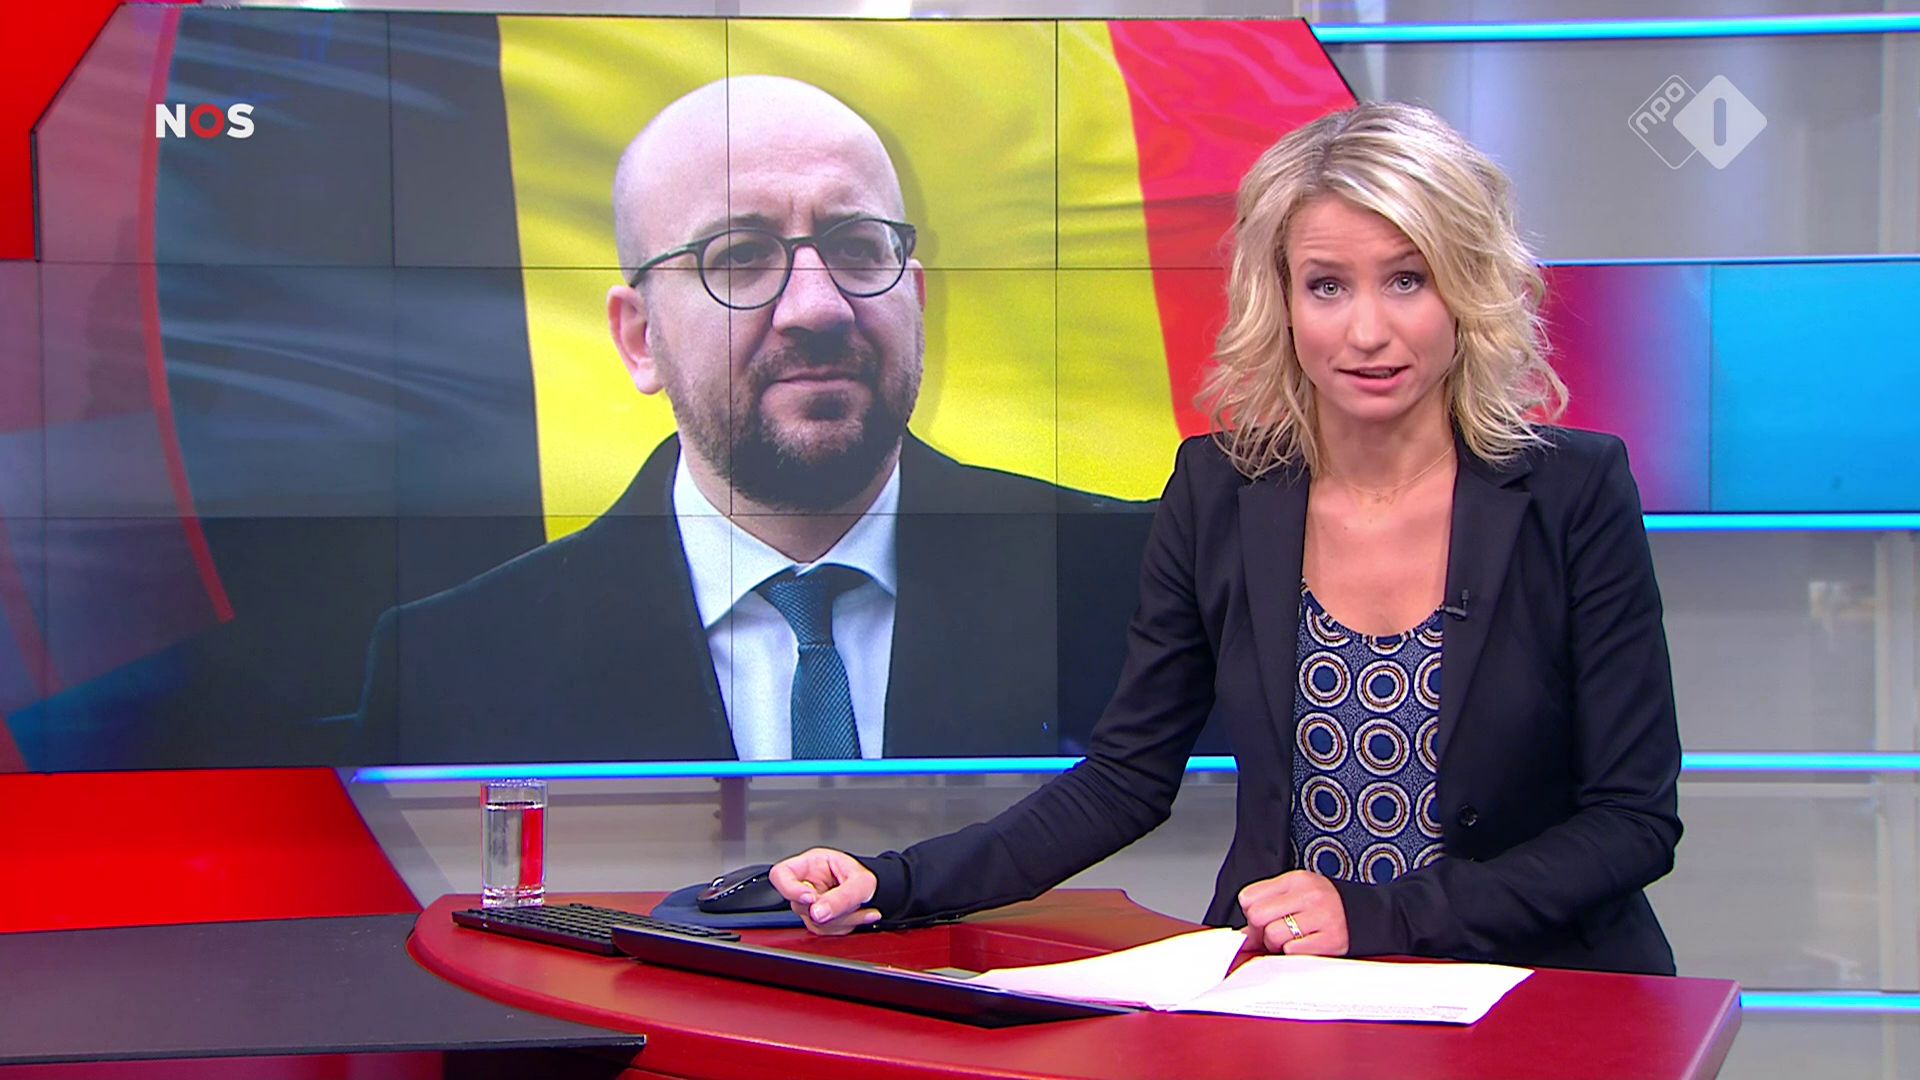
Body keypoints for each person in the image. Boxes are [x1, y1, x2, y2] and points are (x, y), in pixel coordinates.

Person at [769, 101, 1684, 975]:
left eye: (1407, 279)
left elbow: (1631, 820)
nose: (1367, 331)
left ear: (1467, 288)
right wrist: (899, 882)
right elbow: (1125, 779)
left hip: (1532, 988)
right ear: (1279, 301)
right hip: (1288, 992)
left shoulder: (1571, 491)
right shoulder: (1222, 491)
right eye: (1326, 286)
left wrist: (1384, 916)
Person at [351, 76, 1147, 763]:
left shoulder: (1135, 590)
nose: (818, 307)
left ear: (917, 296)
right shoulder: (455, 664)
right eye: (738, 257)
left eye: (858, 247)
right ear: (640, 339)